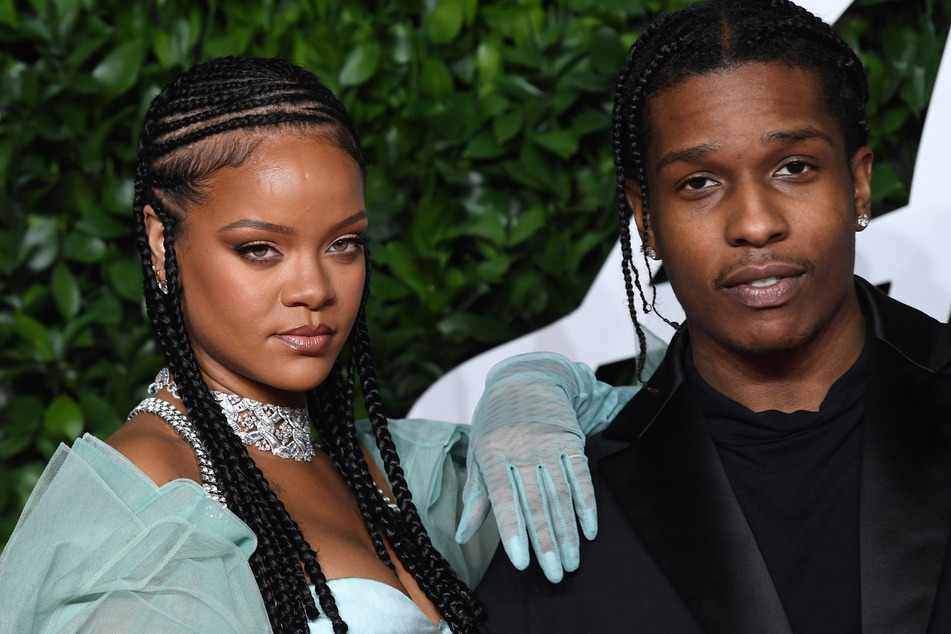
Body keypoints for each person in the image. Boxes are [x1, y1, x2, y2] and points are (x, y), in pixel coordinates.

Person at [0, 56, 610, 633]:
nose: (315, 289)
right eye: (260, 249)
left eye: (344, 243)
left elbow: (671, 419)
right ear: (162, 243)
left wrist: (536, 380)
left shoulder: (381, 469)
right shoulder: (150, 507)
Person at [473, 0, 951, 631]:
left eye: (794, 168)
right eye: (699, 182)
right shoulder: (574, 516)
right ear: (646, 219)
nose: (755, 224)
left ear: (858, 184)